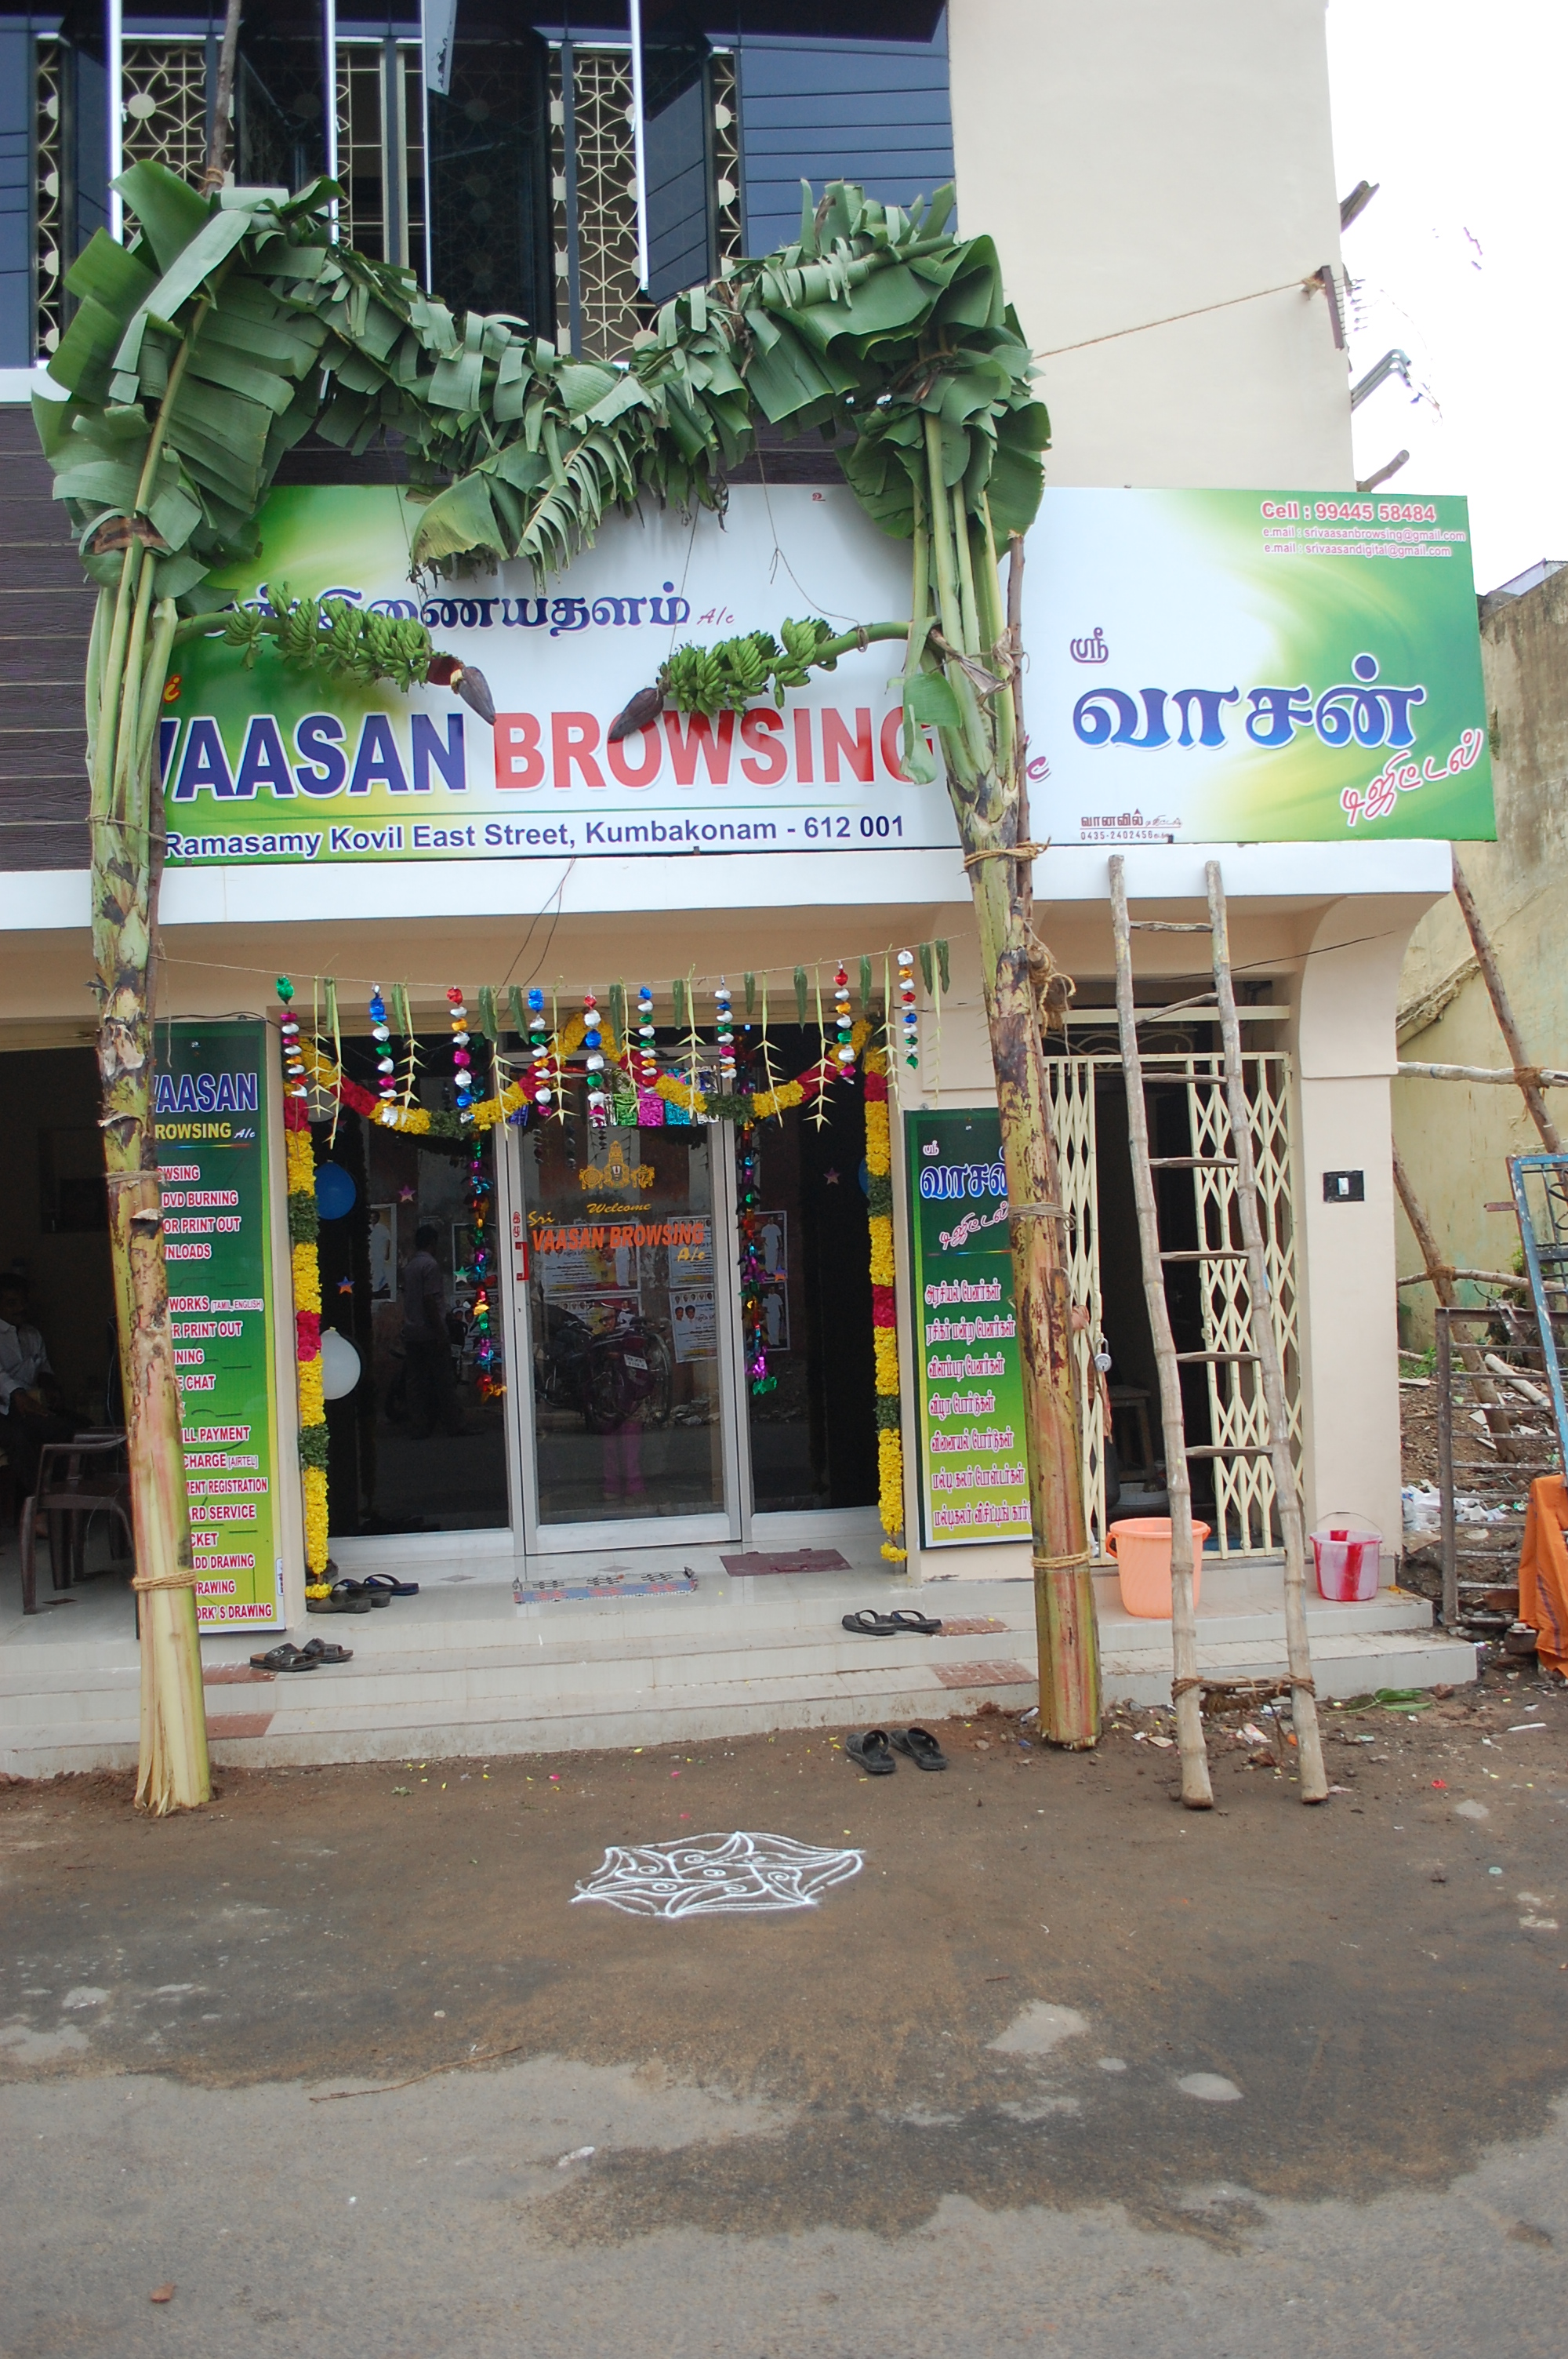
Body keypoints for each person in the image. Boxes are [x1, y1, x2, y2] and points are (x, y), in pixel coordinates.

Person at [0, 1274, 76, 1497]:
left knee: (66, 1428)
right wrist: (17, 1395)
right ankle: (39, 1505)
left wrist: (50, 1388)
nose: (20, 1308)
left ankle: (61, 1496)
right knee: (18, 1437)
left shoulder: (32, 1335)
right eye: (12, 1303)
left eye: (23, 1302)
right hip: (5, 1411)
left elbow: (44, 1369)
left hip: (25, 1408)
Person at [399, 1224, 466, 1439]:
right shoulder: (430, 1265)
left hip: (412, 1331)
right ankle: (453, 1424)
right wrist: (440, 1330)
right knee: (443, 1379)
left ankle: (419, 1425)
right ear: (432, 1243)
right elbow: (430, 1300)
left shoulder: (410, 1267)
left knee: (416, 1381)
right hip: (430, 1331)